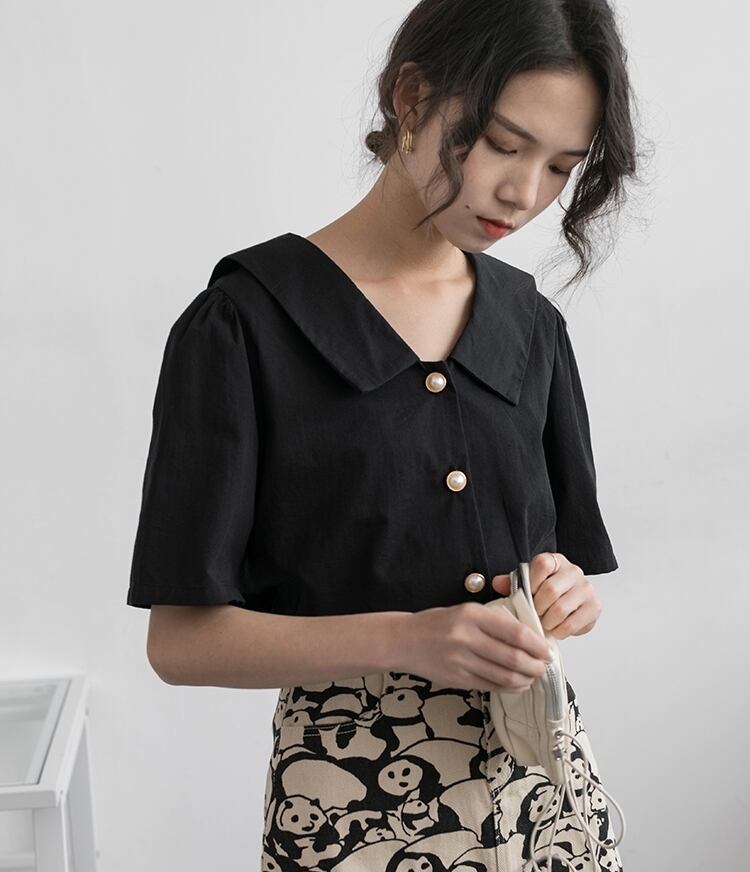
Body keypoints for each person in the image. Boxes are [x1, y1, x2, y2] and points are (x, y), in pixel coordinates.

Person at [127, 0, 640, 868]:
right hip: (353, 804)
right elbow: (179, 642)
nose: (524, 194)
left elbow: (554, 565)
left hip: (541, 796)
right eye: (503, 145)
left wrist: (561, 593)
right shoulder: (246, 325)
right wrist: (407, 637)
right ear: (411, 97)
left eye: (561, 165)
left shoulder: (531, 327)